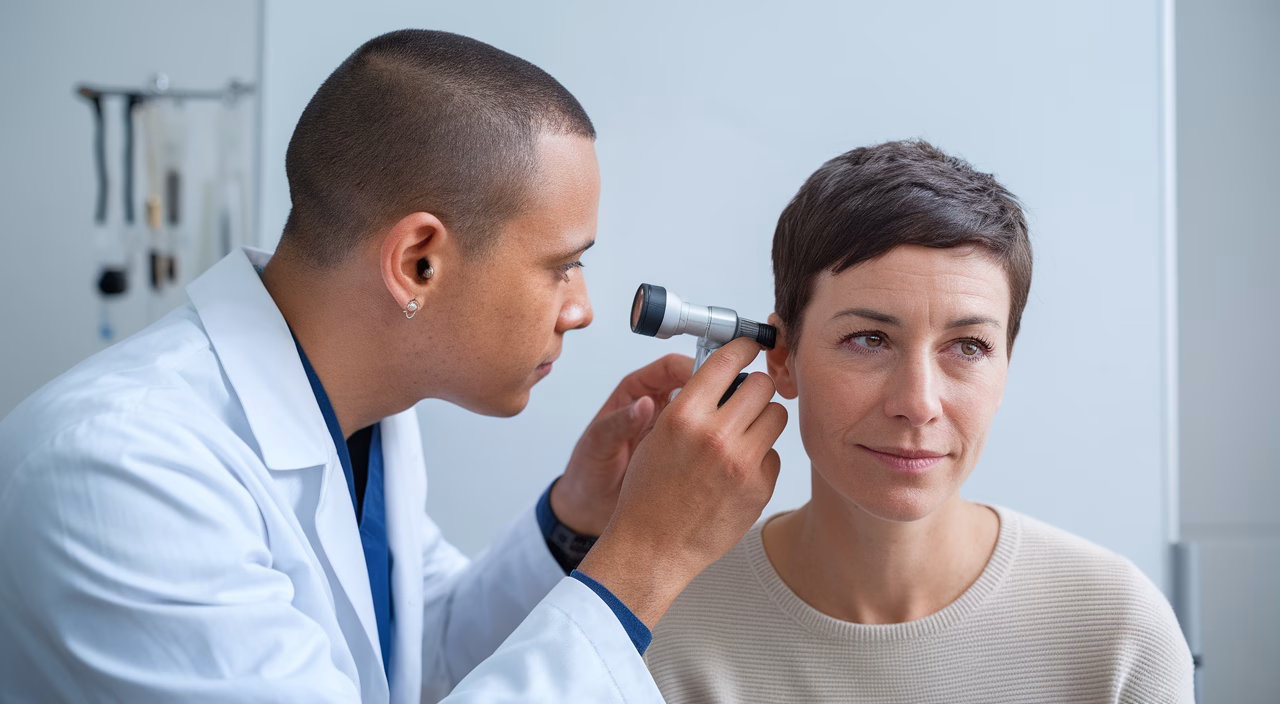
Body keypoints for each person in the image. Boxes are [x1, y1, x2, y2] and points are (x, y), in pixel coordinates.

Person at [0, 30, 787, 703]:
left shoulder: (364, 415)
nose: (580, 308)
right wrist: (651, 555)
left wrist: (578, 517)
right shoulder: (118, 472)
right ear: (418, 262)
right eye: (561, 266)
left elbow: (412, 658)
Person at [645, 140, 1195, 703]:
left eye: (969, 347)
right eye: (869, 339)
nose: (918, 402)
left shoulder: (1118, 632)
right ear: (783, 357)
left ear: (1006, 366)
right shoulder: (658, 623)